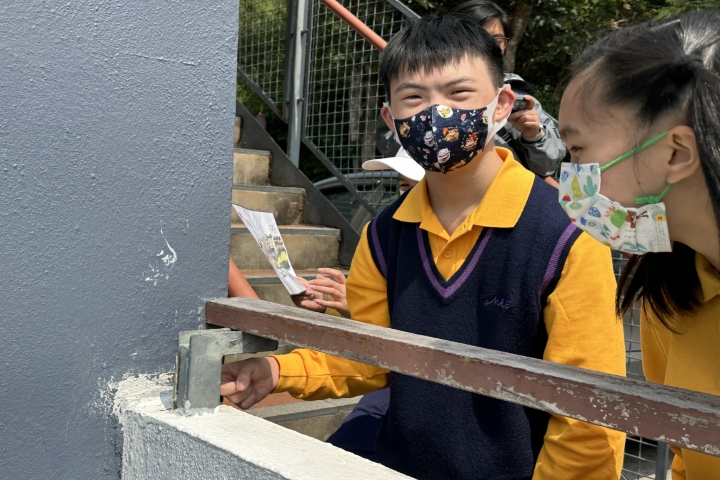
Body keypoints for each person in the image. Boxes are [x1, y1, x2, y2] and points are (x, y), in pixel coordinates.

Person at [221, 15, 626, 479]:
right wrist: (277, 371)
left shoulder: (566, 235)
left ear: (501, 104)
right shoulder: (384, 234)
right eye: (414, 98)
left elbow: (588, 414)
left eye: (459, 93)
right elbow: (368, 354)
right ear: (391, 119)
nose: (437, 114)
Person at [556, 11, 720, 479]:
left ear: (676, 153)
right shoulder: (671, 293)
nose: (570, 175)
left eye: (578, 150)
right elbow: (688, 459)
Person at [449, 0, 566, 177]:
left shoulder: (515, 95)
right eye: (478, 37)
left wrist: (534, 135)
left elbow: (547, 166)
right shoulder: (428, 91)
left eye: (497, 40)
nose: (489, 47)